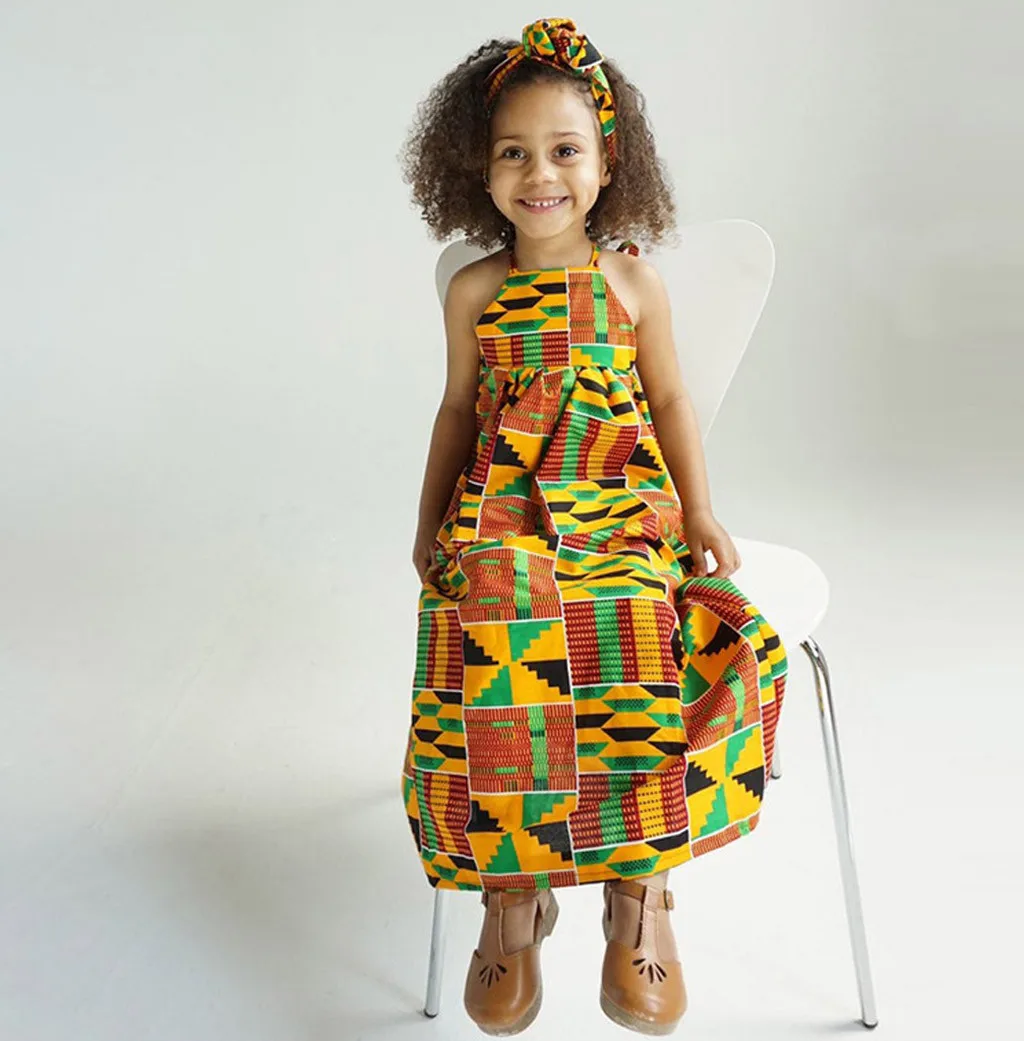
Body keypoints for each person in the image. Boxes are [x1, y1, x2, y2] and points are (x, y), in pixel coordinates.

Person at [398, 18, 788, 1037]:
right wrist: (431, 520)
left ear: (607, 162)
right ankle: (511, 891)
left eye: (564, 150)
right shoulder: (476, 290)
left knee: (631, 613)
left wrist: (698, 510)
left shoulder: (629, 281)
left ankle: (639, 886)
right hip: (506, 502)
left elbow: (670, 401)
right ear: (478, 168)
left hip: (616, 496)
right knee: (495, 610)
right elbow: (456, 410)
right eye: (513, 152)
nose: (540, 175)